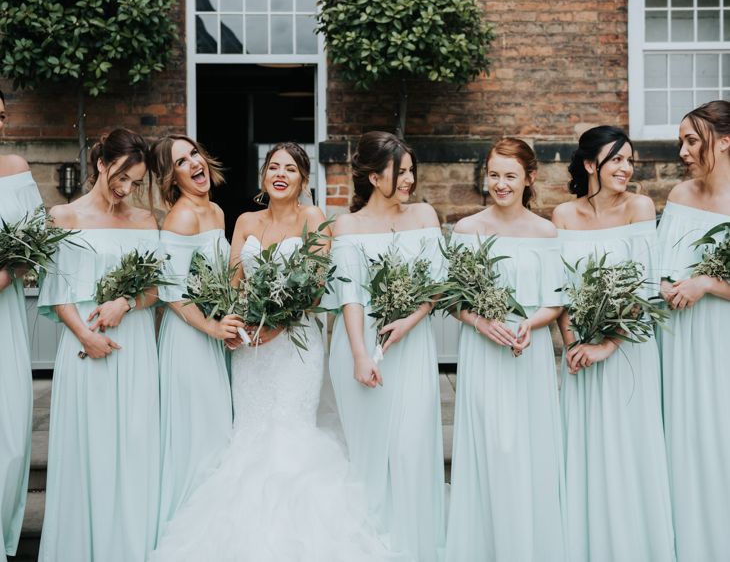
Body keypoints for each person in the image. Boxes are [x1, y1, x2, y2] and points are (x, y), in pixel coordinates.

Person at [152, 142, 394, 561]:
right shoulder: (243, 219)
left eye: (290, 169)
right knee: (251, 435)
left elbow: (316, 288)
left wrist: (277, 325)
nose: (280, 174)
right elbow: (233, 284)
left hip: (296, 346)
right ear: (264, 177)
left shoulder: (314, 218)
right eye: (273, 167)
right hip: (251, 348)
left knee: (291, 435)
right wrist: (233, 323)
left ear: (302, 180)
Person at [552, 125, 675, 562]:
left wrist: (608, 345)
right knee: (587, 453)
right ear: (590, 165)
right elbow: (561, 293)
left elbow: (644, 290)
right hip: (581, 354)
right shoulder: (563, 216)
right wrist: (572, 345)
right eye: (617, 160)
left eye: (629, 160)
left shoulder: (639, 206)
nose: (626, 168)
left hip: (629, 351)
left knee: (628, 449)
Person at [37, 129, 161, 561]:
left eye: (136, 182)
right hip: (84, 346)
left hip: (136, 345)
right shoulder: (63, 216)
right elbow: (56, 291)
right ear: (102, 165)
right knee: (89, 452)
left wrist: (126, 302)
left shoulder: (145, 221)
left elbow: (157, 289)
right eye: (122, 177)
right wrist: (86, 335)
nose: (127, 189)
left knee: (135, 446)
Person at [445, 138, 567, 562]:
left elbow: (555, 301)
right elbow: (455, 301)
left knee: (527, 450)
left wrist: (528, 324)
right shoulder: (467, 229)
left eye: (510, 176)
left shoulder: (546, 231)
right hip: (482, 354)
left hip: (527, 354)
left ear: (529, 179)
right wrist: (482, 323)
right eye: (494, 174)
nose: (500, 183)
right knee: (491, 447)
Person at [326, 131, 446, 562]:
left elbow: (436, 286)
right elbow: (350, 295)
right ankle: (370, 547)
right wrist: (359, 354)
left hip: (410, 346)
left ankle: (413, 546)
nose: (410, 180)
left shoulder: (425, 216)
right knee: (369, 453)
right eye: (401, 172)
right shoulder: (347, 226)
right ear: (375, 177)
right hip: (361, 345)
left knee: (411, 446)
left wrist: (409, 322)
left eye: (412, 171)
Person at [151, 135, 244, 536]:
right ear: (171, 177)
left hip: (214, 337)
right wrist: (210, 326)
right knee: (200, 435)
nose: (194, 163)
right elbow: (169, 292)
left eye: (194, 154)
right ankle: (186, 534)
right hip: (190, 340)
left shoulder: (217, 211)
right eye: (181, 162)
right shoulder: (182, 216)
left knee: (218, 432)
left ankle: (215, 531)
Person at [657, 101, 730, 561]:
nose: (682, 150)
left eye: (691, 140)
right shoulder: (679, 198)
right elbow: (659, 270)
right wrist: (668, 286)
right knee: (681, 440)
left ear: (724, 141)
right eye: (681, 141)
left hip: (721, 339)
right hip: (679, 341)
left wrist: (707, 283)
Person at [0, 88, 42, 562]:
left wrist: (8, 272)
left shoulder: (15, 168)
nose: (2, 123)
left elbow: (35, 240)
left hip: (7, 311)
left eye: (4, 115)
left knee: (10, 431)